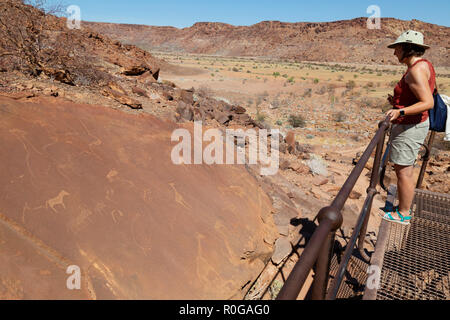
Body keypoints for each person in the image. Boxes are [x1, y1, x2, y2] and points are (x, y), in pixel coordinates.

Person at [383, 30, 435, 225]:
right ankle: (403, 207)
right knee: (404, 169)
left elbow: (427, 102)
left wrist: (400, 112)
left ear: (407, 48)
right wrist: (397, 102)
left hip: (410, 126)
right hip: (414, 124)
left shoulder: (416, 70)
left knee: (404, 171)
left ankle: (403, 214)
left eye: (397, 48)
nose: (394, 53)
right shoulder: (423, 65)